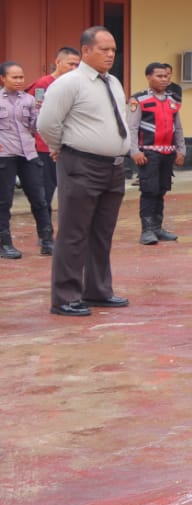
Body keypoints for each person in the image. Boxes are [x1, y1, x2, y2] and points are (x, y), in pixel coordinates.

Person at [35, 27, 130, 317]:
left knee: (102, 233)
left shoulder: (113, 81)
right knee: (74, 233)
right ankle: (65, 297)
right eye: (104, 49)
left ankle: (97, 290)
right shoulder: (69, 83)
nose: (111, 55)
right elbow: (47, 123)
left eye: (113, 49)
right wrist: (59, 146)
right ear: (86, 51)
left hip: (113, 167)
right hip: (81, 165)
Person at [128, 61, 186, 245]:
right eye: (159, 76)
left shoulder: (173, 100)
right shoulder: (139, 100)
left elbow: (178, 128)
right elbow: (132, 127)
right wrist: (134, 151)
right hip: (148, 154)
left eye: (166, 76)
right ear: (148, 77)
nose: (164, 79)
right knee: (149, 191)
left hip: (168, 153)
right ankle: (146, 230)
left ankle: (158, 228)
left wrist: (181, 150)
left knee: (161, 190)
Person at [28, 45, 80, 246]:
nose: (74, 68)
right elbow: (36, 115)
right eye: (70, 64)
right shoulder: (43, 84)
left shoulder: (76, 85)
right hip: (45, 147)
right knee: (45, 193)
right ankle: (46, 236)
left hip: (71, 145)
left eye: (78, 64)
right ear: (58, 62)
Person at [0, 61, 53, 258]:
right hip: (4, 156)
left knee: (39, 199)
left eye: (21, 77)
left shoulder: (30, 100)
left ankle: (47, 241)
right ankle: (4, 244)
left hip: (28, 155)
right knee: (4, 202)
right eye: (14, 77)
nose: (19, 81)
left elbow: (34, 126)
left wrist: (41, 111)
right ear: (3, 79)